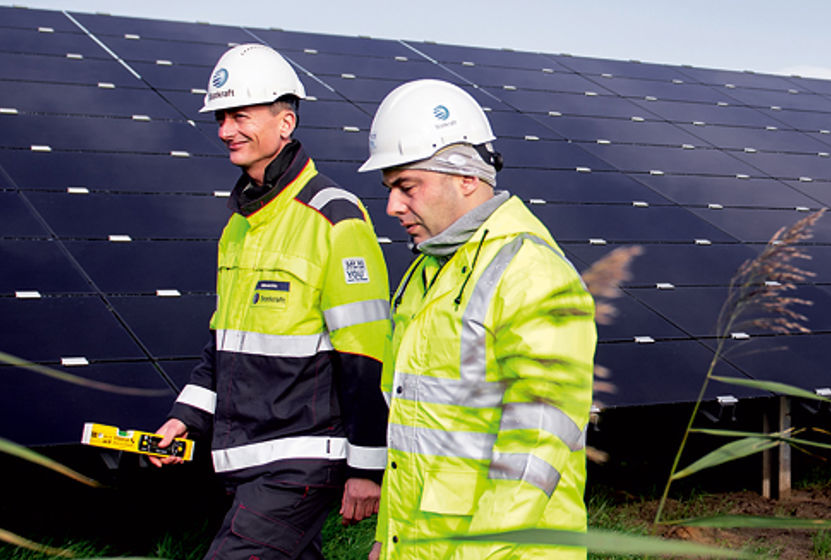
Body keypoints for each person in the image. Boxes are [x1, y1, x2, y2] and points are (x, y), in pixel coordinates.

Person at [152, 43, 391, 560]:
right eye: (221, 117)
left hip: (303, 462)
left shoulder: (336, 218)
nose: (225, 130)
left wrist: (367, 468)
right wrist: (184, 419)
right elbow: (223, 345)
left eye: (240, 115)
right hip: (246, 456)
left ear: (285, 122)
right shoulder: (239, 226)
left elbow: (367, 354)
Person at [358, 79, 596, 559]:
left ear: (466, 177)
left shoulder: (532, 273)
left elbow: (534, 450)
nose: (392, 207)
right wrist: (389, 538)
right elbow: (409, 432)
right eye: (390, 190)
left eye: (407, 187)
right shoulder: (427, 271)